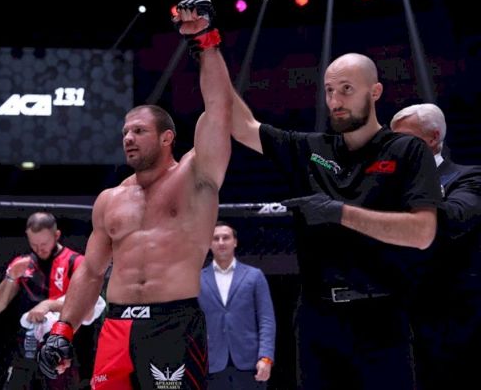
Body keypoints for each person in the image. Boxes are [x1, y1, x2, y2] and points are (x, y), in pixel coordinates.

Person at [204, 48, 442, 389]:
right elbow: (241, 125)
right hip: (317, 317)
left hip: (381, 316)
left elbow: (423, 232)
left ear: (375, 92)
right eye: (329, 91)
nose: (335, 101)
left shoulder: (407, 150)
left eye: (346, 89)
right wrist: (207, 47)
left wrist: (339, 213)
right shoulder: (311, 149)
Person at [37, 0, 233, 389]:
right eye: (125, 132)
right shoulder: (110, 199)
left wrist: (207, 43)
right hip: (116, 326)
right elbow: (91, 271)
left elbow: (218, 110)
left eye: (139, 131)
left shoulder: (196, 177)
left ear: (166, 138)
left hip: (173, 324)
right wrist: (63, 328)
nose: (128, 138)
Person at [390, 103, 481, 390]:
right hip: (397, 318)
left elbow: (455, 219)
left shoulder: (468, 177)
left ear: (433, 137)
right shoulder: (385, 185)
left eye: (405, 139)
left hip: (454, 321)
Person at [0, 211, 104, 390]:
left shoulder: (76, 262)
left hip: (61, 351)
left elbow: (88, 309)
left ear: (56, 235)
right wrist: (10, 277)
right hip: (26, 351)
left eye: (43, 244)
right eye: (33, 244)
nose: (39, 249)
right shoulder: (23, 264)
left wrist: (48, 305)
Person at [198, 220, 276, 389]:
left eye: (226, 237)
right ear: (209, 244)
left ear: (235, 242)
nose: (221, 242)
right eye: (215, 238)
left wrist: (266, 357)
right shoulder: (197, 279)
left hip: (250, 362)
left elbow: (266, 320)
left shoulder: (254, 276)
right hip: (210, 363)